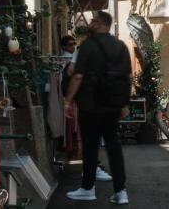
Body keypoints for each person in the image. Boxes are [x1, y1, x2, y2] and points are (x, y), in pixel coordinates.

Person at [64, 11, 132, 205]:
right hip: (113, 105)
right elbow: (127, 78)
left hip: (90, 105)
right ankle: (121, 191)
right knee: (114, 147)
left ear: (101, 24)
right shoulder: (121, 47)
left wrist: (68, 101)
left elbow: (78, 76)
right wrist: (124, 103)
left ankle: (88, 188)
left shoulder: (88, 46)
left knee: (90, 147)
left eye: (94, 20)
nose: (91, 23)